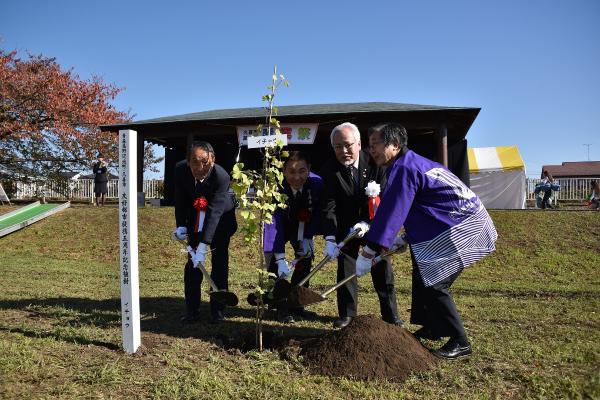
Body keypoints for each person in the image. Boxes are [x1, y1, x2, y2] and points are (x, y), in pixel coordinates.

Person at [356, 122, 498, 360]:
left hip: (463, 224)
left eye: (375, 145)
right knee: (424, 274)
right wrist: (405, 238)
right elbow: (423, 207)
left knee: (435, 284)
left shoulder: (405, 169)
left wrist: (369, 251)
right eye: (369, 146)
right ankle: (435, 327)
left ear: (395, 145)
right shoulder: (410, 164)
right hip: (456, 220)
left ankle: (460, 341)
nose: (372, 151)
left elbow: (392, 211)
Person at [320, 122, 401, 329]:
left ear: (358, 144)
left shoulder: (375, 162)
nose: (344, 151)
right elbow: (328, 206)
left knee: (381, 268)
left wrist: (367, 221)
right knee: (346, 268)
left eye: (348, 145)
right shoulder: (330, 169)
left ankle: (391, 316)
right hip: (346, 227)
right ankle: (347, 315)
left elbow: (383, 197)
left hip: (374, 224)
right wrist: (330, 237)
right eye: (338, 146)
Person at [173, 141, 238, 324]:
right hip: (195, 219)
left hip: (221, 220)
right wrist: (181, 226)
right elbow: (180, 200)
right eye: (195, 161)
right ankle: (192, 310)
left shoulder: (221, 176)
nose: (200, 167)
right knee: (192, 266)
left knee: (219, 264)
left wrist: (203, 245)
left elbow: (215, 212)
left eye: (205, 162)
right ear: (187, 161)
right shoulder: (180, 170)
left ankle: (218, 311)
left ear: (212, 159)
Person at [263, 151, 322, 323]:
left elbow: (319, 213)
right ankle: (279, 306)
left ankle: (297, 304)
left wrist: (309, 237)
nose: (297, 177)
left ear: (309, 169)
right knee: (275, 265)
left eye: (302, 171)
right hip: (280, 224)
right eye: (291, 172)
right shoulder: (275, 187)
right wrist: (281, 257)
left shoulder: (317, 184)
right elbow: (274, 224)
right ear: (283, 170)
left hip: (304, 224)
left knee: (304, 260)